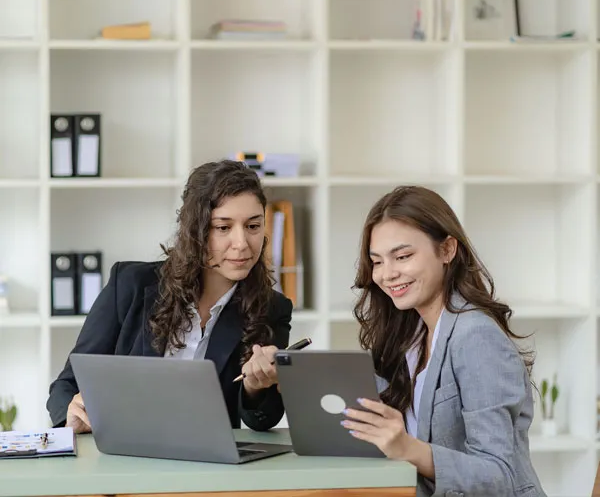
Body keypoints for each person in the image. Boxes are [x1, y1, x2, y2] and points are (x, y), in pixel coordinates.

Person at [47, 160, 293, 434]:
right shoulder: (130, 284)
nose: (242, 243)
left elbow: (263, 419)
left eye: (253, 226)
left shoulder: (273, 308)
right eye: (223, 227)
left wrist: (255, 386)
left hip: (210, 465)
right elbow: (66, 385)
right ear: (196, 230)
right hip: (126, 457)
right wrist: (71, 412)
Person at [342, 186, 546, 497]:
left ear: (447, 250)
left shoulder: (476, 336)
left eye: (403, 256)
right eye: (378, 261)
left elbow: (499, 476)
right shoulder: (411, 334)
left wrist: (408, 449)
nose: (388, 274)